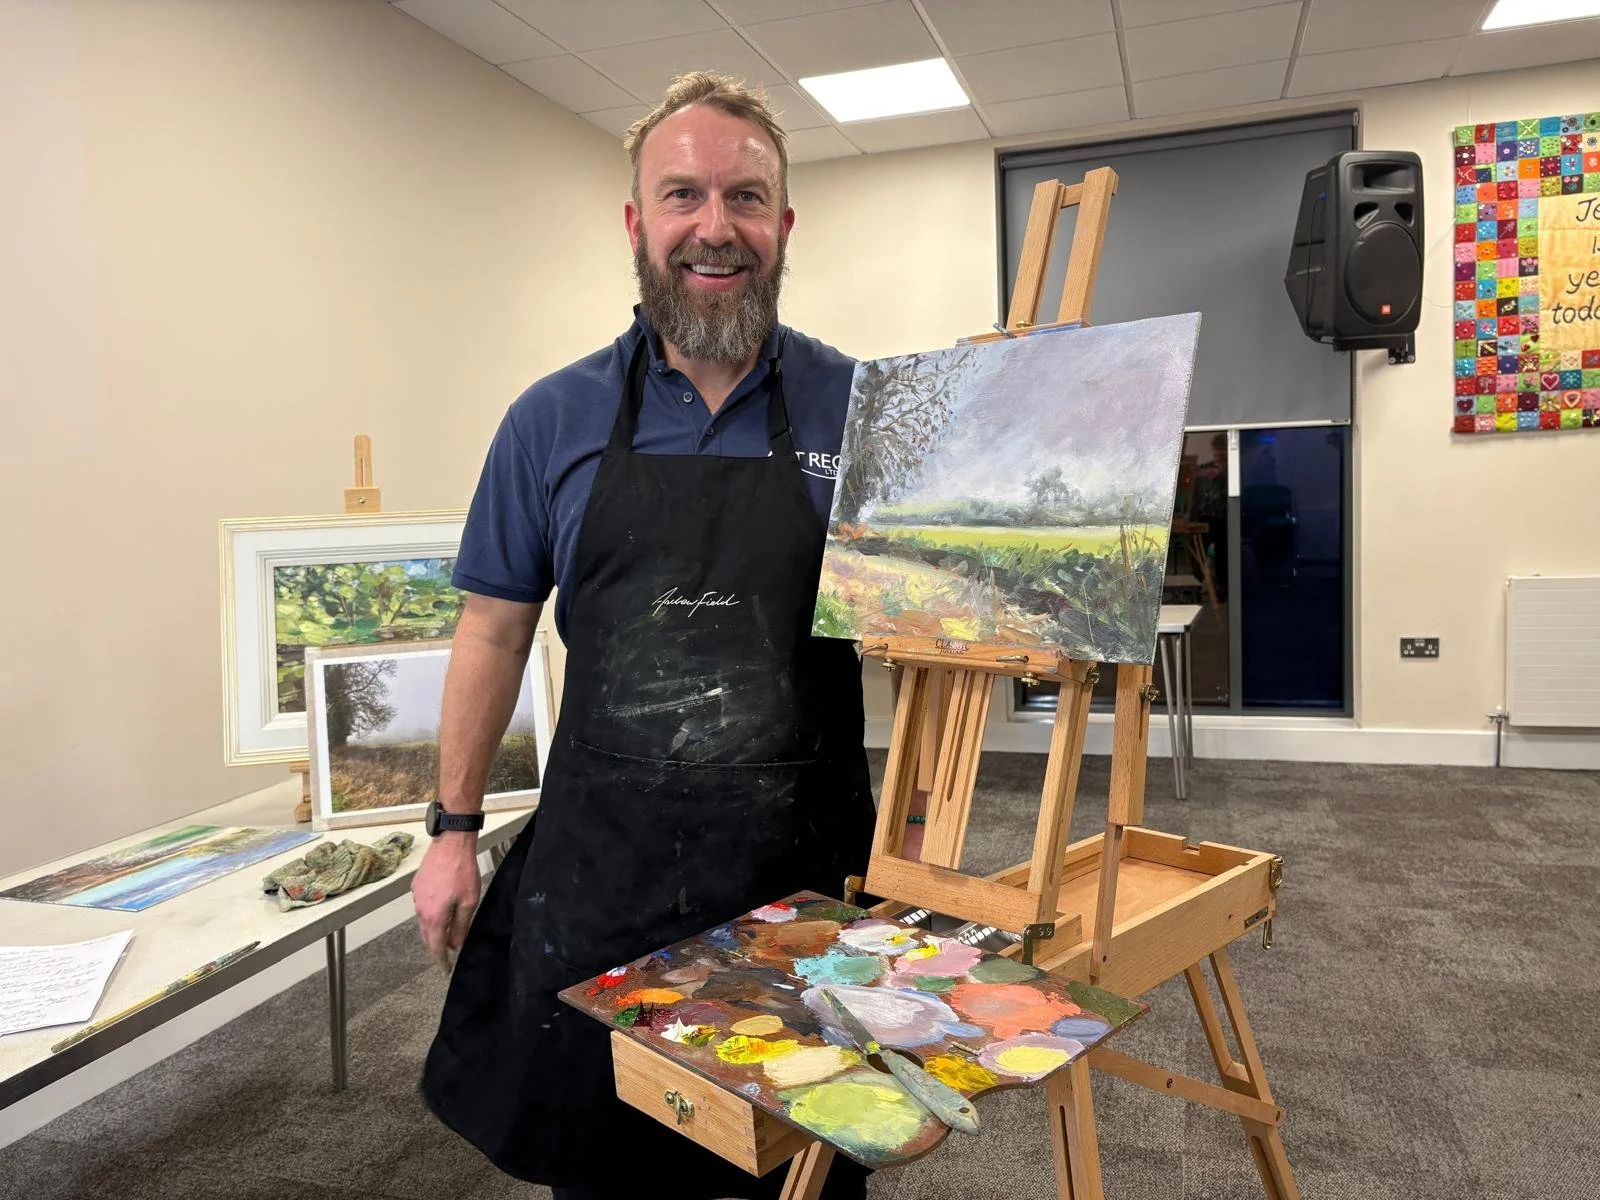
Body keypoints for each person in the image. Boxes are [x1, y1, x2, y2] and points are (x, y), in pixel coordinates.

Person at [411, 71, 877, 1200]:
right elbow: (490, 631)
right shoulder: (550, 419)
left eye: (745, 198)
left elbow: (928, 643)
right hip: (603, 869)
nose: (714, 228)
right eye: (682, 195)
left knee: (800, 1159)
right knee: (610, 1158)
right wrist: (451, 829)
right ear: (636, 222)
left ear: (784, 225)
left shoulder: (862, 407)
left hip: (800, 873)